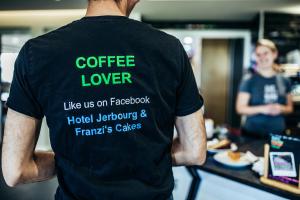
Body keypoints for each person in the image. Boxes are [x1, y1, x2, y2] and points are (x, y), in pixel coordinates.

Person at [1, 0, 207, 200]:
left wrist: (69, 163)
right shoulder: (170, 48)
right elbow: (194, 151)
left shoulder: (36, 53)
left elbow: (15, 170)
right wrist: (147, 157)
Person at [236, 39, 293, 138]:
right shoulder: (249, 79)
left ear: (274, 54)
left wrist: (281, 108)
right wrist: (264, 109)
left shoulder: (285, 80)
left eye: (265, 53)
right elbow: (240, 108)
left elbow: (290, 108)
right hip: (252, 135)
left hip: (278, 135)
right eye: (258, 54)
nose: (262, 57)